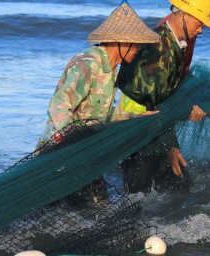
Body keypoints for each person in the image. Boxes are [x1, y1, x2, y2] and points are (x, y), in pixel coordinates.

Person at [39, 2, 160, 203]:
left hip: (84, 152)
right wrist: (71, 142)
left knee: (99, 204)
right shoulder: (89, 64)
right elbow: (59, 104)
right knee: (80, 206)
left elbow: (102, 114)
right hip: (59, 153)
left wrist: (136, 117)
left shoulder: (111, 70)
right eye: (137, 43)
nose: (139, 49)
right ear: (121, 41)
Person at [115, 0, 210, 193]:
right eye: (199, 24)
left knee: (174, 190)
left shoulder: (173, 44)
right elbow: (153, 106)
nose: (200, 31)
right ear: (183, 14)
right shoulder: (158, 49)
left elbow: (166, 96)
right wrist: (171, 147)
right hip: (137, 131)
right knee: (140, 194)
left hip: (152, 129)